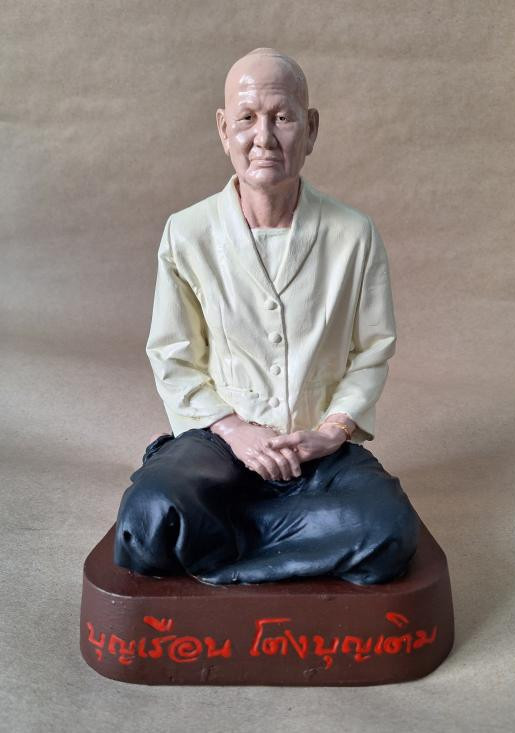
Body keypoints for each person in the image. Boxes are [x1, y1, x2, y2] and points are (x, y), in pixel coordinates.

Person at [113, 47, 419, 586]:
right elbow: (173, 354)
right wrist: (235, 431)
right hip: (219, 444)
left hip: (315, 451)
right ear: (223, 129)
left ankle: (221, 535)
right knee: (147, 518)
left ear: (311, 128)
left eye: (282, 117)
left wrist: (332, 432)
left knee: (389, 530)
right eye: (247, 118)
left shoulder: (353, 234)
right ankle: (297, 535)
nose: (264, 137)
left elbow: (371, 351)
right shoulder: (187, 233)